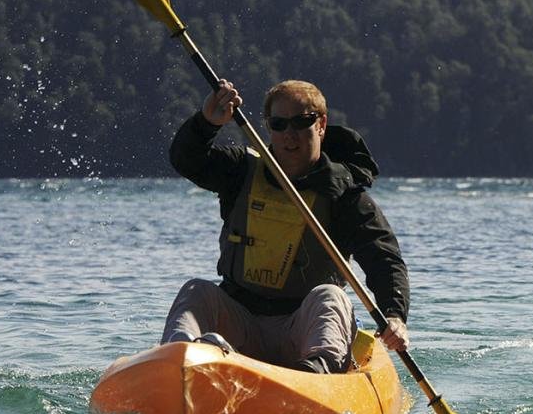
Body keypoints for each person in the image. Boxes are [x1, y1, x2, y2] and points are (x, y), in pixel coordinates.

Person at [160, 79, 409, 373]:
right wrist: (206, 123)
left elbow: (384, 259)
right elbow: (187, 160)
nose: (290, 134)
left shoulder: (344, 195)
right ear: (268, 127)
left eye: (302, 122)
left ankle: (317, 374)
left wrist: (394, 316)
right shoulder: (241, 171)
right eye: (279, 124)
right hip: (241, 320)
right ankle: (179, 363)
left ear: (321, 124)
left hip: (302, 327)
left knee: (331, 296)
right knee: (196, 290)